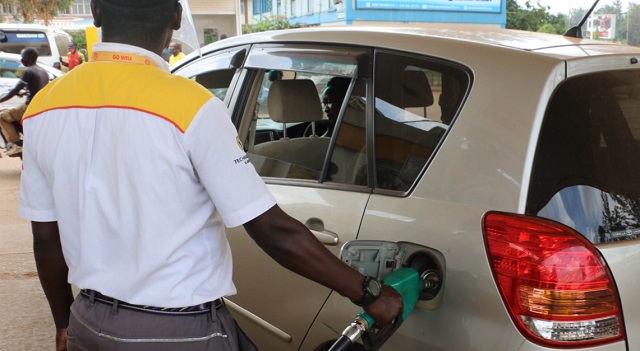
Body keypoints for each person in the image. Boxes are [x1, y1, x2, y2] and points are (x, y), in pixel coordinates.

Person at [19, 1, 403, 350]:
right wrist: (369, 293)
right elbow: (272, 230)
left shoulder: (43, 106)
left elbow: (45, 237)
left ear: (96, 11)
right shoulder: (192, 106)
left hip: (89, 321)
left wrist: (63, 323)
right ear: (174, 16)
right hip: (177, 333)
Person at [0, 47, 49, 157]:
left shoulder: (29, 71)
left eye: (23, 57)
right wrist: (25, 92)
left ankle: (15, 144)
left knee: (3, 116)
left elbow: (14, 90)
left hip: (29, 107)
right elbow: (38, 88)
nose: (22, 59)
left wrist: (1, 100)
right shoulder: (42, 71)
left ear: (27, 58)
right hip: (40, 106)